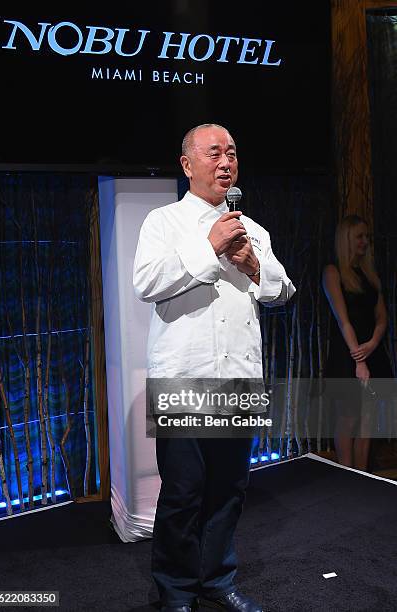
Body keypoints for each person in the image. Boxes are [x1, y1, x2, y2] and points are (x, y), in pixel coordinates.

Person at [133, 123, 295, 612]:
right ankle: (177, 592)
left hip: (239, 377)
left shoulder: (255, 230)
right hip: (184, 375)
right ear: (187, 165)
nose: (225, 162)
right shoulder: (162, 221)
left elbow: (283, 291)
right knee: (183, 492)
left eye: (232, 154)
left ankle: (217, 580)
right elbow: (146, 282)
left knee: (229, 490)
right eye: (213, 154)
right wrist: (210, 246)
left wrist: (251, 264)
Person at [322, 215, 392, 471]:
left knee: (367, 420)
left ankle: (363, 477)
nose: (365, 241)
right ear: (347, 239)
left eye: (367, 237)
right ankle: (347, 477)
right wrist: (359, 359)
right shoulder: (333, 272)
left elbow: (382, 318)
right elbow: (344, 320)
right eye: (359, 236)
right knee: (348, 418)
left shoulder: (370, 275)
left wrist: (373, 343)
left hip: (370, 350)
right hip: (348, 354)